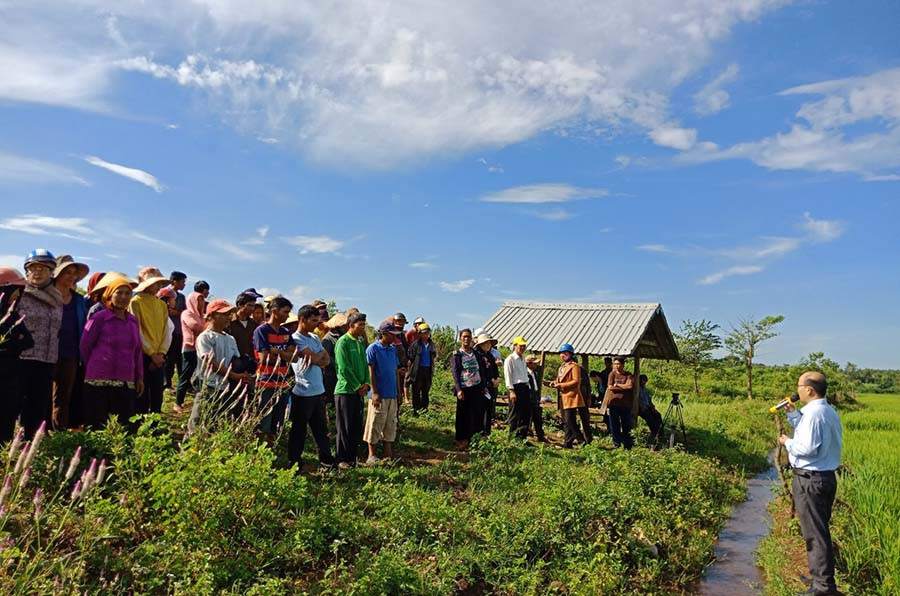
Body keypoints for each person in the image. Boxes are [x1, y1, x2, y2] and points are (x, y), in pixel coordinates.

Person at [778, 372, 843, 596]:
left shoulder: (814, 414)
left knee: (815, 535)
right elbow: (809, 433)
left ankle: (823, 588)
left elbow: (807, 448)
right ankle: (820, 580)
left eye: (799, 386)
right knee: (819, 530)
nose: (797, 390)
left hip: (811, 480)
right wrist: (793, 415)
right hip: (823, 478)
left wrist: (787, 442)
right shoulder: (825, 411)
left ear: (809, 390)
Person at [80, 273, 143, 431]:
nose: (123, 297)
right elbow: (85, 346)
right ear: (110, 295)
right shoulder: (98, 318)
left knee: (124, 425)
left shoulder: (133, 321)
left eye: (127, 293)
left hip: (125, 380)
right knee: (97, 424)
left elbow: (137, 350)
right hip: (98, 381)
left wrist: (139, 377)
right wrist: (96, 365)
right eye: (119, 293)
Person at [17, 249, 64, 438]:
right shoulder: (20, 293)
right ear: (26, 271)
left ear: (51, 272)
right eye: (33, 268)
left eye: (43, 268)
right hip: (22, 357)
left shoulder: (57, 297)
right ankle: (13, 442)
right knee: (17, 402)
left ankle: (32, 442)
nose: (38, 272)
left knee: (39, 403)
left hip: (47, 358)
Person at [288, 305, 336, 470]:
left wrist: (317, 357)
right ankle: (295, 462)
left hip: (318, 390)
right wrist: (317, 358)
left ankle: (326, 460)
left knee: (321, 430)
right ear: (303, 320)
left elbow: (326, 359)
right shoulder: (295, 338)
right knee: (299, 430)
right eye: (313, 320)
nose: (316, 324)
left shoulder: (314, 338)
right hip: (303, 391)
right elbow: (314, 359)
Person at [50, 255, 89, 431]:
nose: (71, 276)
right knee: (42, 394)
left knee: (63, 396)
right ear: (57, 274)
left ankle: (60, 432)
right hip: (46, 352)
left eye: (74, 273)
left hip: (70, 353)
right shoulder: (46, 295)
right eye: (67, 272)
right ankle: (38, 432)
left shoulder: (79, 300)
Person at [130, 267, 173, 415]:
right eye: (156, 283)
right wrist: (151, 353)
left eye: (160, 283)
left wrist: (161, 352)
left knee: (157, 394)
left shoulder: (161, 305)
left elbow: (166, 330)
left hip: (159, 356)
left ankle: (155, 424)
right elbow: (137, 331)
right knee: (141, 393)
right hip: (142, 355)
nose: (158, 286)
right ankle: (140, 424)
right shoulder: (135, 302)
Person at [253, 296, 296, 442]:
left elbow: (294, 357)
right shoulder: (261, 331)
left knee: (277, 424)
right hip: (265, 382)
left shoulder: (286, 332)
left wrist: (277, 352)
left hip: (283, 383)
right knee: (263, 422)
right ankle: (260, 451)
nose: (287, 316)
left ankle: (272, 450)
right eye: (285, 312)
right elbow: (264, 358)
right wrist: (285, 355)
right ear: (274, 311)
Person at [0, 267, 34, 442]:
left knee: (7, 417)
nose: (18, 295)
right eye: (16, 290)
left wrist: (10, 346)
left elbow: (28, 341)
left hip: (11, 375)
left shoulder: (13, 316)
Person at [195, 299, 250, 405]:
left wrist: (243, 373)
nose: (228, 317)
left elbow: (236, 360)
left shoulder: (230, 339)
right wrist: (233, 375)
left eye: (229, 314)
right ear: (212, 316)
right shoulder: (205, 337)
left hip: (226, 386)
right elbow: (210, 363)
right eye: (224, 314)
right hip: (209, 385)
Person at [334, 312, 370, 468]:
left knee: (356, 426)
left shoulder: (360, 343)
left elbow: (365, 366)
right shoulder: (343, 342)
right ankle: (342, 459)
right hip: (345, 391)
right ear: (351, 325)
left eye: (364, 325)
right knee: (345, 426)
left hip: (359, 392)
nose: (363, 328)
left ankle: (352, 459)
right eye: (360, 325)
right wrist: (357, 386)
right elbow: (343, 368)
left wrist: (366, 384)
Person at [363, 321, 401, 463]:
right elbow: (370, 371)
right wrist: (374, 392)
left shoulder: (393, 349)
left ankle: (388, 455)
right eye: (392, 334)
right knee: (375, 423)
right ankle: (371, 455)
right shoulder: (373, 349)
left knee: (390, 424)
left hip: (392, 393)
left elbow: (395, 372)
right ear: (384, 334)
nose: (394, 337)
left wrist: (399, 392)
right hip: (379, 394)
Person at [450, 328, 488, 449]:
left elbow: (481, 370)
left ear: (472, 339)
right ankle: (461, 439)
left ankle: (474, 438)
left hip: (476, 388)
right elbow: (455, 373)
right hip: (464, 388)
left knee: (476, 413)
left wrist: (483, 386)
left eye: (469, 337)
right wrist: (459, 389)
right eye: (464, 336)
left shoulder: (476, 354)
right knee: (462, 414)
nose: (466, 339)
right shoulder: (457, 354)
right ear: (460, 339)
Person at [545, 344, 587, 448]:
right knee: (565, 421)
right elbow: (559, 380)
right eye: (561, 353)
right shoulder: (561, 367)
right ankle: (567, 443)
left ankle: (582, 441)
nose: (563, 355)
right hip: (562, 396)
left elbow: (576, 381)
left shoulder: (574, 366)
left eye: (565, 353)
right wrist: (553, 383)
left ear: (571, 354)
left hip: (571, 396)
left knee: (570, 420)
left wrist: (561, 385)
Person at [175, 290, 206, 411]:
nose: (201, 303)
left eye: (202, 300)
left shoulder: (202, 316)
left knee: (201, 375)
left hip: (200, 349)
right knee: (185, 375)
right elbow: (195, 327)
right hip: (190, 348)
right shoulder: (187, 313)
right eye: (198, 300)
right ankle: (178, 403)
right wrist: (208, 326)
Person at [503, 336, 532, 441]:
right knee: (515, 414)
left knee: (525, 413)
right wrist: (511, 391)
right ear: (515, 346)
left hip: (525, 387)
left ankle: (522, 438)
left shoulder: (523, 359)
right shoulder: (510, 359)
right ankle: (512, 437)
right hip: (515, 388)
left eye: (524, 346)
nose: (523, 348)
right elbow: (508, 376)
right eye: (520, 346)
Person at [164, 271, 187, 390]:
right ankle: (167, 383)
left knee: (178, 357)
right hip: (167, 331)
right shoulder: (164, 293)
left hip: (178, 330)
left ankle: (182, 383)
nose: (184, 284)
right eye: (182, 282)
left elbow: (184, 312)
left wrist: (176, 313)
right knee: (169, 358)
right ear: (174, 281)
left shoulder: (182, 297)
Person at [405, 323, 436, 414]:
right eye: (423, 333)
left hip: (428, 369)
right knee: (416, 390)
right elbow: (411, 356)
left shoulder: (431, 344)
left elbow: (434, 355)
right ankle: (416, 409)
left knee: (426, 390)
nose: (426, 335)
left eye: (427, 332)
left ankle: (424, 408)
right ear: (419, 334)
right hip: (418, 370)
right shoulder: (416, 344)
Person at [606, 356, 635, 449]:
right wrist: (623, 387)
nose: (616, 366)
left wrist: (617, 385)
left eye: (618, 364)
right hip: (614, 403)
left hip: (625, 404)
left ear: (623, 364)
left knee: (626, 425)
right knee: (614, 425)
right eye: (615, 364)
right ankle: (616, 444)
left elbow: (629, 386)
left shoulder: (628, 375)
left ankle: (627, 444)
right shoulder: (612, 374)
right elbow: (610, 387)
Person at [322, 312, 349, 408]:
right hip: (331, 377)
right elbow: (327, 358)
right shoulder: (328, 339)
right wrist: (341, 364)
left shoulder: (344, 338)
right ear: (338, 327)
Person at [475, 332, 500, 436]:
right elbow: (480, 371)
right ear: (481, 344)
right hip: (481, 386)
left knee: (489, 409)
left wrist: (497, 379)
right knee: (480, 410)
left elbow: (495, 369)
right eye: (486, 343)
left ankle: (487, 432)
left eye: (489, 343)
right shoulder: (477, 355)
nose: (488, 345)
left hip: (491, 386)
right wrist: (488, 381)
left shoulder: (490, 355)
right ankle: (479, 432)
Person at [525, 355, 547, 443]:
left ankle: (540, 436)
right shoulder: (525, 373)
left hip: (535, 398)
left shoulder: (534, 373)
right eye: (534, 363)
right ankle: (527, 434)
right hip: (529, 398)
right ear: (529, 364)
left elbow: (535, 387)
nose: (536, 365)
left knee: (538, 419)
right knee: (527, 418)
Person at [638, 374, 663, 439]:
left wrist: (652, 406)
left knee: (658, 415)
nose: (644, 382)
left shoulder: (645, 389)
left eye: (645, 381)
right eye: (643, 381)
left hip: (648, 407)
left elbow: (649, 399)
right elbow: (637, 400)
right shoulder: (637, 389)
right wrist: (642, 407)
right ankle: (654, 432)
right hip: (641, 408)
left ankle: (660, 433)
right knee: (649, 417)